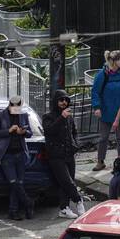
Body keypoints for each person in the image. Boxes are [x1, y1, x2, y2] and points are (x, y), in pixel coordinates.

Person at [0, 95, 36, 221]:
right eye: (15, 107)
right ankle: (28, 203)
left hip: (20, 153)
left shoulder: (24, 115)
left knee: (20, 183)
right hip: (6, 154)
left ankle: (13, 211)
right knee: (13, 182)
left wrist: (24, 132)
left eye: (19, 108)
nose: (17, 110)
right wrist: (9, 130)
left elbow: (30, 133)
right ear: (10, 105)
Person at [42, 92, 85, 220]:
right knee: (67, 181)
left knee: (65, 183)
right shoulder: (48, 116)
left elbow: (74, 132)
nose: (64, 103)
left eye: (66, 100)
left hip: (69, 153)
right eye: (61, 100)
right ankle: (78, 200)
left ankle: (64, 208)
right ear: (56, 101)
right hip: (56, 155)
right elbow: (49, 131)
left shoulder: (69, 116)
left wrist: (76, 144)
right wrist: (61, 117)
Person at [90, 50, 120, 171]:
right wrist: (97, 107)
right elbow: (95, 92)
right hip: (106, 112)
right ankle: (100, 161)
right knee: (103, 137)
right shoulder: (102, 75)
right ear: (114, 61)